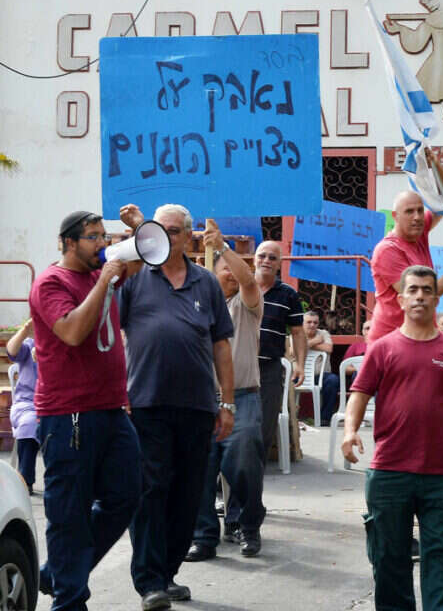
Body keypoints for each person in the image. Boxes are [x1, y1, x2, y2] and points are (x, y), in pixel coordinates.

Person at [342, 265, 443, 610]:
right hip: (389, 470)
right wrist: (349, 431)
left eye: (427, 290)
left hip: (441, 472)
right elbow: (359, 393)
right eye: (413, 290)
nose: (420, 296)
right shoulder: (382, 348)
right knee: (388, 556)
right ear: (401, 300)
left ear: (436, 298)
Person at [118, 203, 235, 611]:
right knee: (150, 490)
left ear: (188, 236)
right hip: (145, 404)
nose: (165, 236)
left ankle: (167, 574)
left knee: (188, 494)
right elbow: (111, 335)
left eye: (172, 230)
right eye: (158, 229)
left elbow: (221, 345)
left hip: (197, 407)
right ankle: (149, 581)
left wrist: (227, 403)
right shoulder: (135, 277)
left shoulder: (206, 282)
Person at [28, 210, 141, 611]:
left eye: (103, 236)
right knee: (69, 513)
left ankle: (58, 572)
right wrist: (105, 280)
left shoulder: (98, 274)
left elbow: (145, 256)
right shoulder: (51, 283)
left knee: (127, 496)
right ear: (68, 242)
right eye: (92, 237)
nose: (101, 244)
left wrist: (139, 228)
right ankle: (69, 600)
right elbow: (73, 331)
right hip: (68, 415)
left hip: (110, 409)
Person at [185, 221, 266, 562]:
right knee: (200, 470)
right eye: (223, 270)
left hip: (243, 398)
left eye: (233, 268)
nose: (231, 274)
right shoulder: (195, 307)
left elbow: (248, 280)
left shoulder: (246, 305)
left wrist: (222, 249)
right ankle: (203, 537)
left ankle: (248, 525)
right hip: (202, 400)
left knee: (242, 463)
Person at [370, 151, 443, 342]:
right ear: (395, 216)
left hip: (420, 335)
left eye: (420, 210)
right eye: (409, 212)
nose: (417, 217)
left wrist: (436, 164)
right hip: (390, 340)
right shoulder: (387, 250)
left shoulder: (419, 233)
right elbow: (416, 296)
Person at [254, 240, 306, 459]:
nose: (266, 261)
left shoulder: (288, 294)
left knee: (266, 422)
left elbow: (298, 332)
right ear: (254, 259)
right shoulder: (240, 286)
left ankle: (256, 469)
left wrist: (300, 364)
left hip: (270, 368)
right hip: (239, 366)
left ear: (279, 264)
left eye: (272, 258)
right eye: (262, 255)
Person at [7, 318, 39, 495]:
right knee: (30, 423)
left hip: (58, 403)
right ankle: (25, 480)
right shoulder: (29, 344)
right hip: (28, 403)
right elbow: (12, 351)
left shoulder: (64, 343)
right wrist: (26, 329)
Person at [303, 309, 340, 426]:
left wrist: (306, 344)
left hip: (321, 376)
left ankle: (324, 418)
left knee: (333, 380)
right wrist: (315, 341)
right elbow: (293, 351)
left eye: (315, 322)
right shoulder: (298, 334)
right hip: (300, 376)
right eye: (309, 322)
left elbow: (329, 348)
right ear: (302, 323)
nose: (312, 325)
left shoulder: (323, 334)